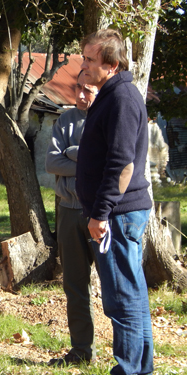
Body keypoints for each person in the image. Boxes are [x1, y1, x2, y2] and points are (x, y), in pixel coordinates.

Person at [76, 29, 153, 374]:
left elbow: (122, 163)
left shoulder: (121, 97)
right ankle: (141, 368)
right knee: (131, 294)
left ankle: (130, 369)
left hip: (118, 214)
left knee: (122, 298)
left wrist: (101, 212)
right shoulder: (112, 94)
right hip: (120, 212)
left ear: (111, 64)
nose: (85, 64)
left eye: (91, 59)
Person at [45, 71, 98, 365]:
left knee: (115, 288)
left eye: (87, 90)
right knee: (74, 286)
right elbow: (52, 162)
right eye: (77, 88)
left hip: (100, 213)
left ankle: (127, 357)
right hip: (68, 210)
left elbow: (107, 163)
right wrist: (86, 159)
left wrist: (73, 153)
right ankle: (81, 351)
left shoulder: (106, 117)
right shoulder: (65, 120)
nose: (80, 95)